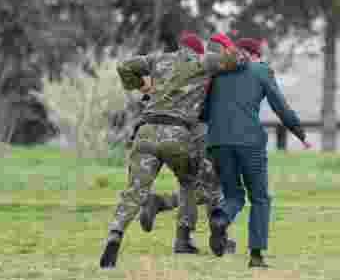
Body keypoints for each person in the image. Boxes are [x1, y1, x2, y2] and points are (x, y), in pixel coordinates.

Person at [101, 32, 240, 268]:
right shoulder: (201, 61)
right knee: (191, 180)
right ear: (196, 51)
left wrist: (143, 87)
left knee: (134, 191)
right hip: (177, 135)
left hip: (145, 132)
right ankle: (202, 235)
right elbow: (234, 60)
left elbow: (124, 67)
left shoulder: (157, 59)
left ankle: (115, 233)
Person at [202, 35, 311, 268]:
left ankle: (221, 218)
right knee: (260, 197)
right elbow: (279, 105)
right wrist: (299, 132)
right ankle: (256, 255)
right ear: (254, 55)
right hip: (249, 142)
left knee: (233, 195)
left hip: (217, 142)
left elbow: (203, 111)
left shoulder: (217, 72)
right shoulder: (260, 70)